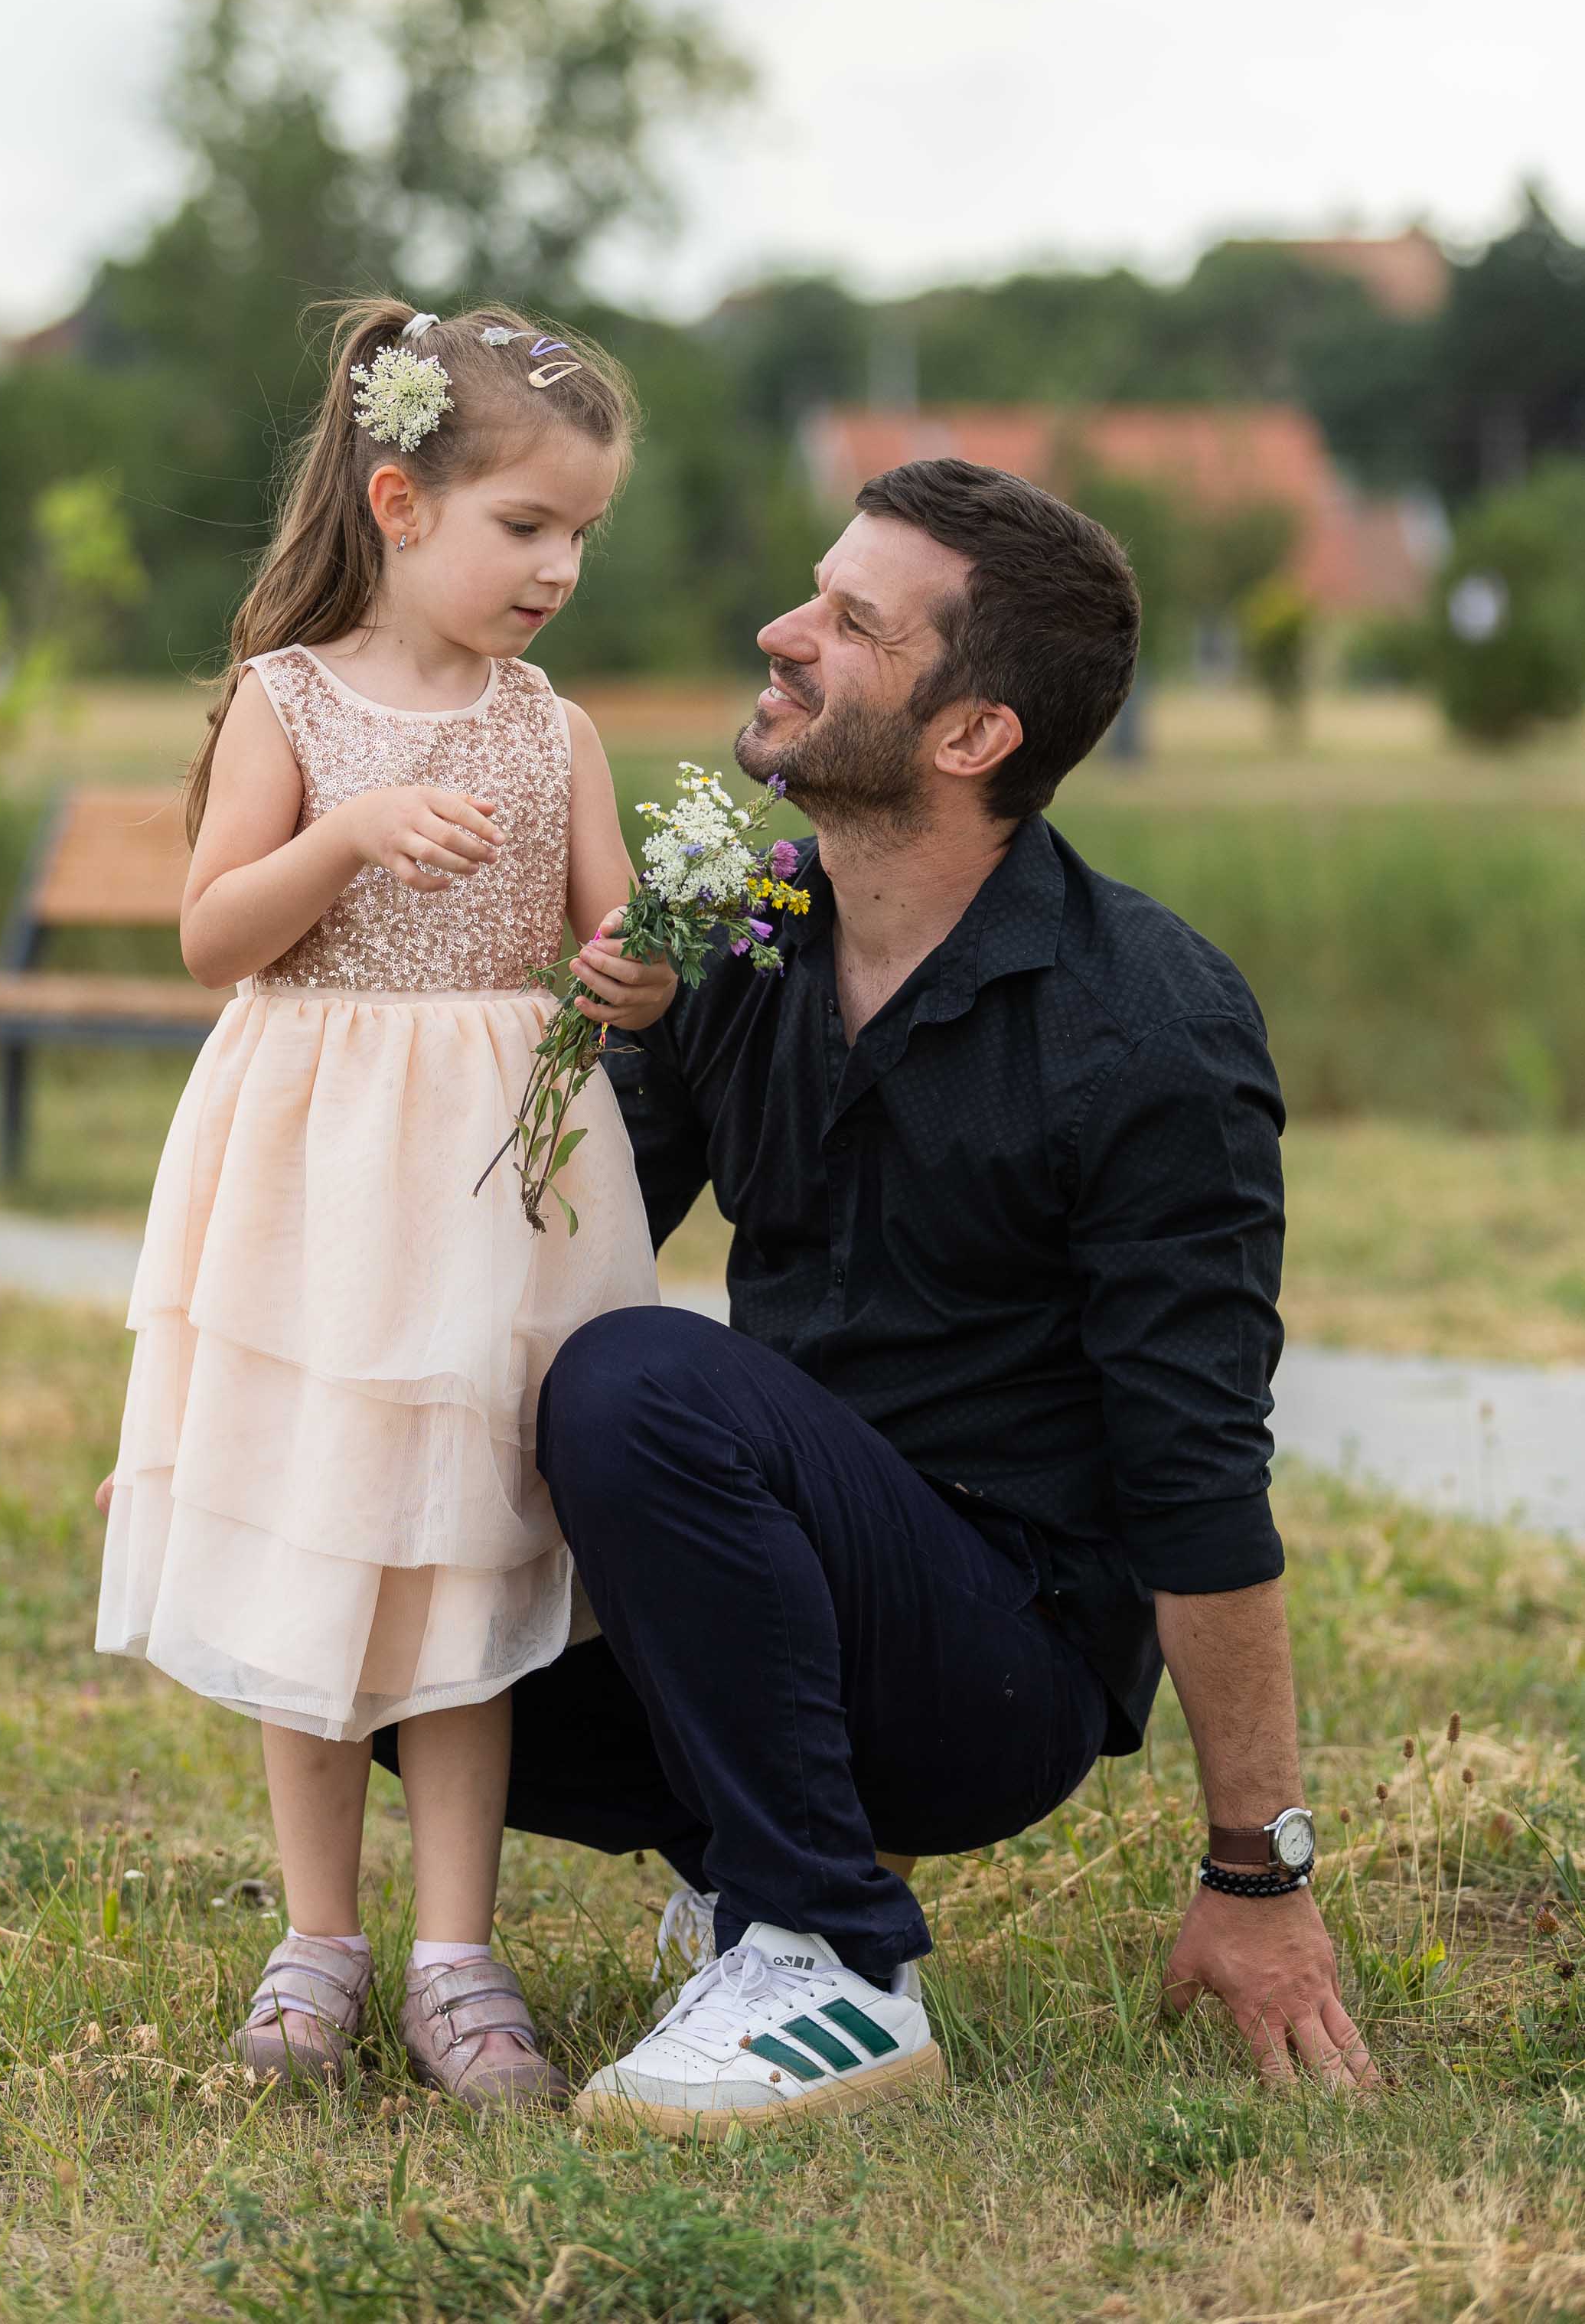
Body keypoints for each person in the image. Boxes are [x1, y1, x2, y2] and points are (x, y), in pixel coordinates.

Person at [377, 455, 1378, 2132]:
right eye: (810, 591)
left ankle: (828, 1955)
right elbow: (545, 1223)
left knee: (637, 1379)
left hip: (991, 1671)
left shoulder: (1151, 1033)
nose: (782, 633)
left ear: (974, 734)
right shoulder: (752, 929)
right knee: (371, 1635)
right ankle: (769, 1858)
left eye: (847, 623)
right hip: (774, 1607)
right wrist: (273, 1439)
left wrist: (1257, 1874)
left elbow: (1197, 1479)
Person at [94, 300, 675, 2107]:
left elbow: (614, 937)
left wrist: (632, 977)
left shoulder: (549, 727)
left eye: (581, 534)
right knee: (318, 1527)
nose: (559, 567)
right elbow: (210, 936)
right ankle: (318, 1935)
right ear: (403, 500)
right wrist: (345, 836)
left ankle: (456, 1949)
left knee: (458, 1541)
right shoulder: (288, 703)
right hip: (318, 1181)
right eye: (528, 527)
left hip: (494, 1193)